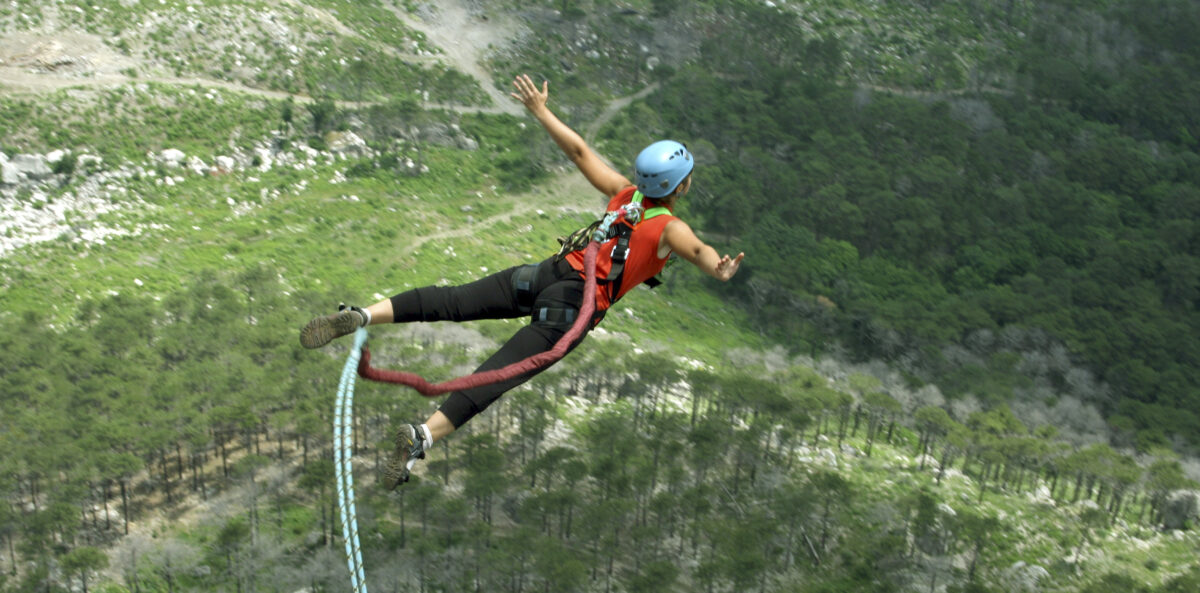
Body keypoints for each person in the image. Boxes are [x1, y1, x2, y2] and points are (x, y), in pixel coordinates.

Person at [300, 74, 744, 489]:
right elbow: (698, 250)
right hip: (574, 307)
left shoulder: (624, 193)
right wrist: (718, 269)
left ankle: (363, 314)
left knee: (453, 300)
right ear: (679, 187)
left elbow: (580, 152)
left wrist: (541, 111)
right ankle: (422, 436)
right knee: (495, 374)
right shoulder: (669, 226)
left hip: (547, 273)